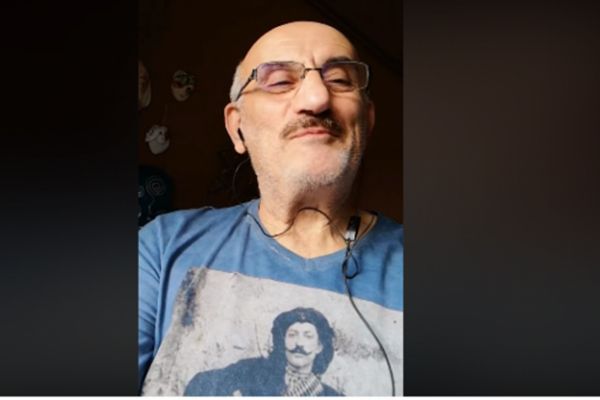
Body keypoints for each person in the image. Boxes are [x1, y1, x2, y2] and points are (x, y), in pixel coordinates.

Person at [139, 21, 403, 396]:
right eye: (279, 81)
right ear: (237, 128)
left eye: (340, 80)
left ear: (368, 120)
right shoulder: (160, 248)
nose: (317, 98)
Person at [183, 307, 340, 396]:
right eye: (292, 335)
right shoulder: (252, 371)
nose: (299, 343)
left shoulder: (331, 396)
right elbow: (200, 384)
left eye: (308, 336)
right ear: (282, 341)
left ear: (319, 346)